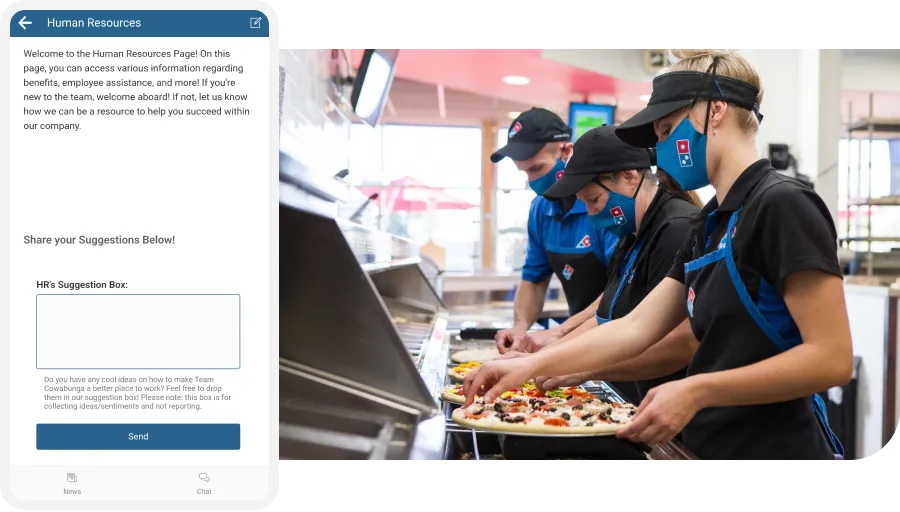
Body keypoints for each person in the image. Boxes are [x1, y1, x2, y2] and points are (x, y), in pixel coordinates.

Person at [464, 48, 853, 463]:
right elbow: (634, 328)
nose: (660, 151)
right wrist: (526, 367)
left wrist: (697, 389)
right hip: (709, 447)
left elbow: (831, 359)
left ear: (715, 112)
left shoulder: (781, 205)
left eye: (667, 131)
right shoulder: (709, 224)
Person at [521, 125, 703, 404]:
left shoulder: (677, 230)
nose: (592, 214)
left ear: (630, 177)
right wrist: (542, 360)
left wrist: (582, 368)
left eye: (594, 200)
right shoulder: (630, 235)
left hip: (683, 407)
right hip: (649, 400)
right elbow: (604, 318)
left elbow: (678, 343)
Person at [489, 108, 619, 353]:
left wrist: (561, 333)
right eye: (525, 172)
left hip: (618, 339)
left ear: (566, 151)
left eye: (537, 169)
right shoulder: (541, 209)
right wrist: (520, 328)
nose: (532, 180)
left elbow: (623, 288)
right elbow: (534, 280)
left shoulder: (602, 204)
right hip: (577, 343)